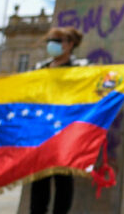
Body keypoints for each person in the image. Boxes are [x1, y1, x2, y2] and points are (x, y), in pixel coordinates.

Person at [30, 27, 87, 214]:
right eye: (50, 40)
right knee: (39, 183)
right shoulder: (40, 68)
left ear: (70, 44)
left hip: (66, 132)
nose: (51, 44)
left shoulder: (80, 68)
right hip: (41, 131)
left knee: (63, 181)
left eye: (57, 40)